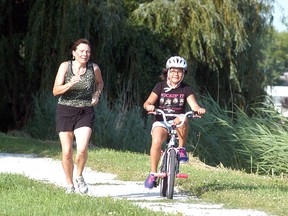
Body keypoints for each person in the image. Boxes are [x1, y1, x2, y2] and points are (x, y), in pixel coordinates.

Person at [143, 56, 206, 189]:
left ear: (183, 74)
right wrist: (149, 106)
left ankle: (181, 149)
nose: (175, 74)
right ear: (168, 72)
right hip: (162, 120)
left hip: (177, 121)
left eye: (179, 71)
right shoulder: (159, 86)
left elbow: (193, 105)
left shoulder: (186, 89)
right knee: (156, 142)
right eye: (173, 71)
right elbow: (147, 102)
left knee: (184, 117)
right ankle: (153, 173)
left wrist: (198, 109)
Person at [53, 38, 104, 194]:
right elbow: (55, 91)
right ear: (74, 53)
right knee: (67, 151)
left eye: (88, 51)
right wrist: (70, 84)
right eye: (81, 51)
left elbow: (100, 83)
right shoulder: (65, 66)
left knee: (82, 148)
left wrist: (96, 95)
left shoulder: (93, 68)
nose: (85, 54)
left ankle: (79, 176)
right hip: (65, 110)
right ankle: (70, 185)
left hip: (85, 111)